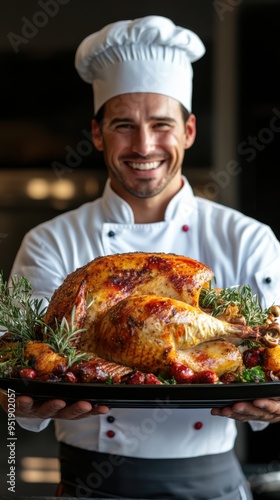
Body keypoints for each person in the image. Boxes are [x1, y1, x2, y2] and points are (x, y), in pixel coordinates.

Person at [2, 14, 280, 500]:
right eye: (124, 125)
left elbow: (271, 363)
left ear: (189, 130)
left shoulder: (248, 238)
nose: (145, 145)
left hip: (212, 484)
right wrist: (24, 404)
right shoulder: (50, 240)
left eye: (161, 125)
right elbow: (20, 378)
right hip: (88, 485)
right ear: (96, 133)